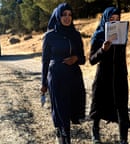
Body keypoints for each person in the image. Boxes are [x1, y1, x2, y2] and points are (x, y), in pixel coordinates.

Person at [40, 2, 86, 144]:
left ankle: (61, 132)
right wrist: (43, 83)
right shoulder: (49, 36)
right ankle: (64, 137)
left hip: (74, 77)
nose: (67, 18)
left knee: (71, 109)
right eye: (64, 15)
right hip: (56, 77)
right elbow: (45, 61)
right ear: (58, 16)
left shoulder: (76, 35)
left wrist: (76, 58)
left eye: (70, 15)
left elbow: (83, 59)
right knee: (61, 110)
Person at [88, 7, 130, 144]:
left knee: (122, 106)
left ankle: (123, 139)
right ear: (105, 19)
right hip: (103, 77)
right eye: (111, 19)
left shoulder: (122, 35)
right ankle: (95, 132)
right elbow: (92, 60)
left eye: (117, 19)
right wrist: (102, 49)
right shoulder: (98, 36)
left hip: (119, 76)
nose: (114, 21)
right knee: (98, 104)